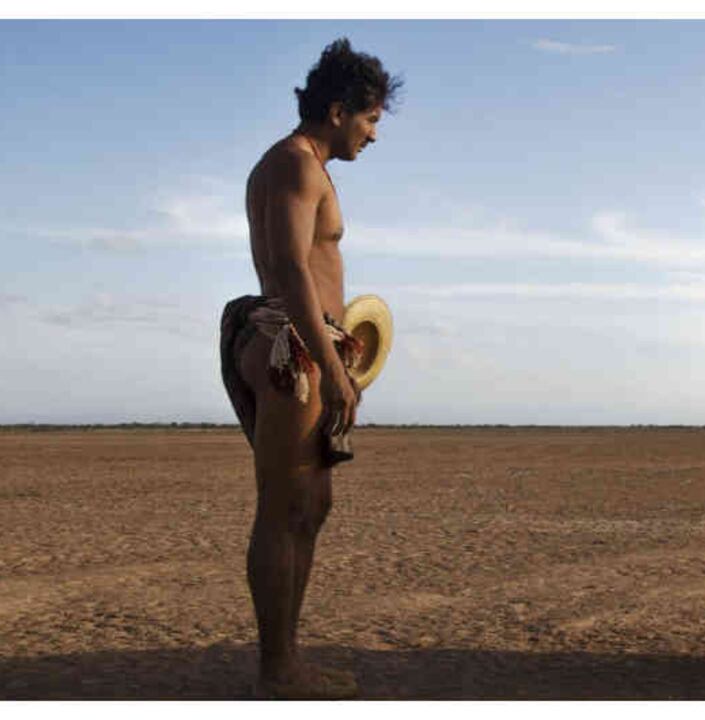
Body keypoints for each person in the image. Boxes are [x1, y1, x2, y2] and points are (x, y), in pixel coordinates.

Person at [219, 37, 400, 699]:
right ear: (336, 110)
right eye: (371, 119)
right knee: (282, 509)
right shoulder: (296, 164)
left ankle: (287, 658)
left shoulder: (300, 165)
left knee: (309, 508)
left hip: (304, 346)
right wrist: (330, 363)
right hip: (292, 352)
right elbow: (294, 268)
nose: (374, 135)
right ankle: (278, 669)